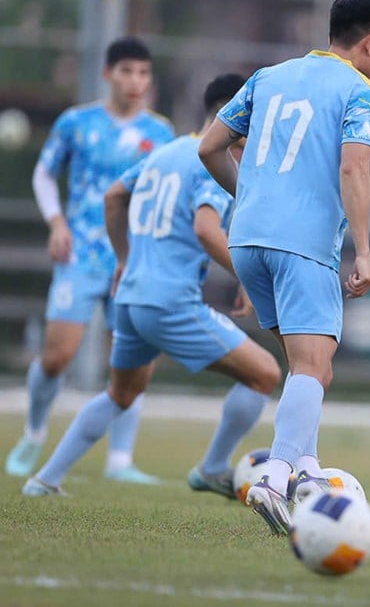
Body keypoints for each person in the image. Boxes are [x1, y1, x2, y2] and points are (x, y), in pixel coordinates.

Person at [21, 74, 282, 498]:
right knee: (265, 374)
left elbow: (112, 197)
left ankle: (44, 479)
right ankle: (213, 467)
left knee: (120, 394)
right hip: (169, 305)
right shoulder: (213, 163)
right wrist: (248, 274)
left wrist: (124, 259)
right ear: (239, 118)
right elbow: (206, 228)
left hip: (130, 299)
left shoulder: (166, 153)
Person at [198, 0, 370, 535]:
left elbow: (209, 146)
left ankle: (306, 470)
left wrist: (250, 199)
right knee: (313, 365)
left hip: (248, 240)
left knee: (309, 365)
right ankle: (275, 475)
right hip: (303, 244)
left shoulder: (268, 76)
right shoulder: (364, 91)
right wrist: (363, 250)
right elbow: (355, 169)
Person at [5, 37, 174, 484]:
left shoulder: (160, 133)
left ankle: (121, 459)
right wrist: (56, 222)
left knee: (132, 360)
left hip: (131, 262)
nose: (135, 81)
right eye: (126, 71)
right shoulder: (76, 123)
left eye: (143, 73)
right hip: (80, 254)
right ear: (107, 74)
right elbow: (45, 173)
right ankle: (35, 431)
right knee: (57, 356)